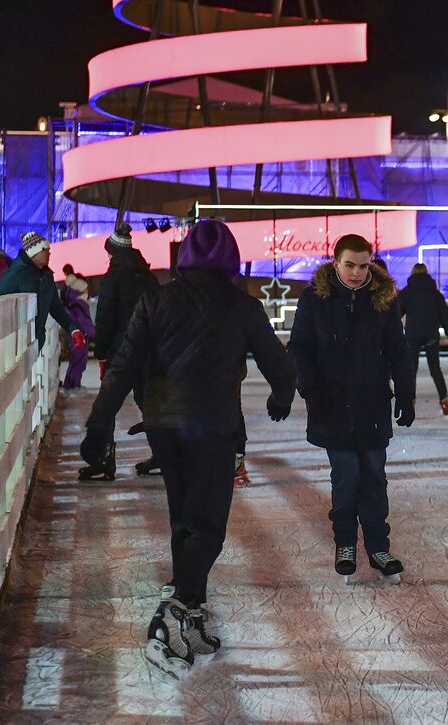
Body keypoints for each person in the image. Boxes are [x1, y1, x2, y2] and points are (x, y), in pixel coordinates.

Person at [81, 219, 296, 680]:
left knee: (185, 518)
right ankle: (171, 614)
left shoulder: (154, 300)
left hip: (162, 425)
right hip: (213, 425)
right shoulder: (242, 305)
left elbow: (122, 367)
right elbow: (279, 364)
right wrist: (281, 396)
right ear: (231, 260)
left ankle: (191, 610)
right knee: (209, 525)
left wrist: (99, 427)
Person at [289, 233, 415, 585]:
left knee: (374, 477)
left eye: (363, 265)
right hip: (332, 405)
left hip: (372, 403)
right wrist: (309, 390)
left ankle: (378, 547)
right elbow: (300, 347)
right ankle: (345, 543)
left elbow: (397, 350)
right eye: (350, 265)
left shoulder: (383, 299)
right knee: (347, 478)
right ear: (335, 262)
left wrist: (405, 393)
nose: (357, 273)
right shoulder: (315, 299)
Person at [92, 223, 162, 477]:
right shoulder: (149, 278)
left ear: (112, 253)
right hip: (150, 352)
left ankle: (104, 459)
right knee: (150, 402)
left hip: (121, 353)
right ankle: (162, 454)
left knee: (108, 403)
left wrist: (100, 352)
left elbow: (105, 319)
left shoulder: (112, 278)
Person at [0, 232, 82, 353]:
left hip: (36, 343)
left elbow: (56, 308)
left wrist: (73, 329)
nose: (49, 253)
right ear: (34, 252)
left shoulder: (47, 277)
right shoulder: (16, 275)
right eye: (45, 249)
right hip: (14, 348)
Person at [399, 263, 448, 416]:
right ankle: (444, 401)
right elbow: (445, 314)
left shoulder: (407, 292)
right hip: (431, 334)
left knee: (411, 370)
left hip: (412, 335)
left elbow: (396, 313)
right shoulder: (435, 293)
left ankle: (410, 401)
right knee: (435, 369)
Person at [61, 277, 96, 390]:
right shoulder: (79, 304)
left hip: (76, 336)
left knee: (75, 361)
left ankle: (71, 383)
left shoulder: (73, 304)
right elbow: (84, 321)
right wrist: (93, 333)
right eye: (85, 289)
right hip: (81, 337)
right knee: (79, 362)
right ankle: (73, 385)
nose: (87, 291)